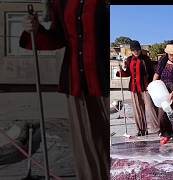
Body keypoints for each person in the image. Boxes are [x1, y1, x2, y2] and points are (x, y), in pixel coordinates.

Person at [20, 1, 109, 180]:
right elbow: (58, 38)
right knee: (87, 147)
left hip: (105, 80)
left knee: (111, 144)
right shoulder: (62, 1)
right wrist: (35, 30)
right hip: (78, 82)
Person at [116, 40, 159, 136]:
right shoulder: (129, 60)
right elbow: (127, 73)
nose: (136, 52)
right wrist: (120, 71)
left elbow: (151, 72)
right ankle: (141, 129)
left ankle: (157, 128)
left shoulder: (145, 59)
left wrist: (152, 84)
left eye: (138, 50)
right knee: (138, 110)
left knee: (151, 108)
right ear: (131, 50)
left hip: (146, 87)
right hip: (134, 88)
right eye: (134, 50)